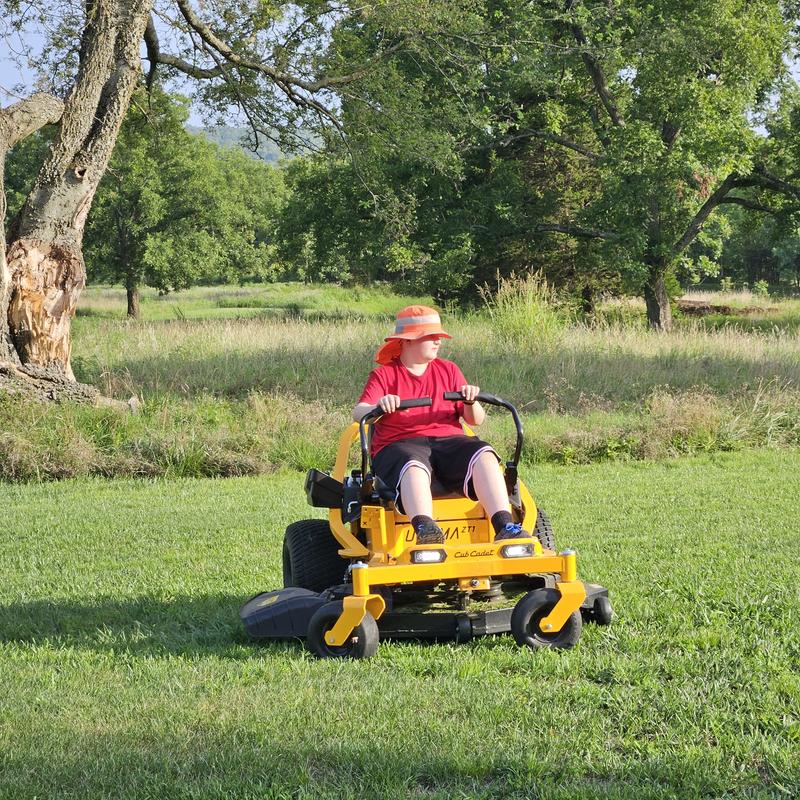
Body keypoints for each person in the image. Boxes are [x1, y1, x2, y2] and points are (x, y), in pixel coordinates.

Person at [352, 305, 532, 545]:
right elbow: (359, 412)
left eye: (438, 336)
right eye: (430, 336)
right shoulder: (384, 376)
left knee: (484, 454)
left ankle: (504, 525)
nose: (438, 341)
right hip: (400, 444)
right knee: (412, 465)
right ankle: (426, 530)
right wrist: (380, 405)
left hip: (448, 442)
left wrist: (470, 401)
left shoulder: (449, 370)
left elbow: (475, 420)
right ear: (406, 341)